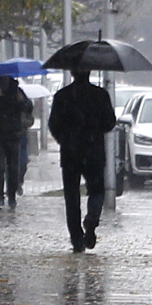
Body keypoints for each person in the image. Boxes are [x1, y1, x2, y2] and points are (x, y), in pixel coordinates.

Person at [48, 69, 116, 252]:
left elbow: (53, 124)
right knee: (96, 190)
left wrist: (65, 139)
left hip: (70, 153)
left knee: (71, 197)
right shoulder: (100, 95)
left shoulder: (62, 96)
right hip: (94, 151)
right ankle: (92, 218)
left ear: (72, 72)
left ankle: (77, 239)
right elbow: (110, 122)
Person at [0, 75, 33, 210]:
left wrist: (22, 102)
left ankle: (12, 196)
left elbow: (28, 107)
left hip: (13, 134)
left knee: (13, 167)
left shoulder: (16, 91)